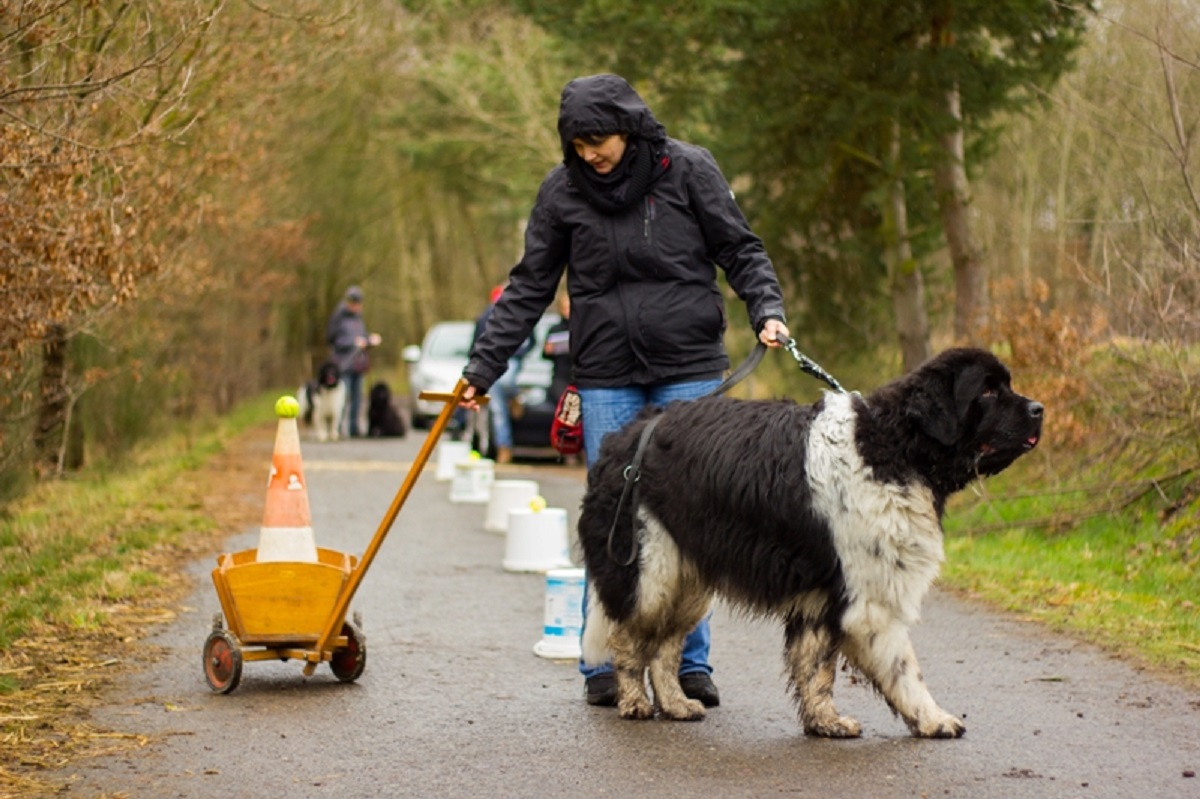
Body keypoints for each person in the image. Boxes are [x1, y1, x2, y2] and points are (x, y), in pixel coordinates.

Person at [459, 73, 791, 709]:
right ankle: (607, 665)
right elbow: (529, 285)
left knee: (697, 517)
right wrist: (483, 369)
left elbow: (740, 249)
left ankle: (689, 664)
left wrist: (766, 308)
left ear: (630, 128)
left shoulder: (689, 169)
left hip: (688, 364)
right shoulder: (561, 193)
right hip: (607, 371)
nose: (590, 153)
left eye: (599, 139)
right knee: (611, 517)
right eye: (578, 143)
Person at [472, 285, 533, 464]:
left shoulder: (521, 316)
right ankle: (504, 447)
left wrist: (520, 352)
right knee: (498, 410)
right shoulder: (485, 318)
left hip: (513, 361)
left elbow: (532, 340)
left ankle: (513, 396)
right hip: (495, 366)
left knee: (503, 390)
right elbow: (477, 343)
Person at [326, 285, 381, 438]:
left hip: (359, 364)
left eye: (359, 303)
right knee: (342, 398)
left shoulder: (359, 319)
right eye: (354, 302)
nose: (357, 306)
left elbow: (362, 338)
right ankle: (337, 429)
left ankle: (354, 428)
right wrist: (351, 343)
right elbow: (332, 339)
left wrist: (370, 340)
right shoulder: (338, 318)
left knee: (358, 398)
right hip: (344, 364)